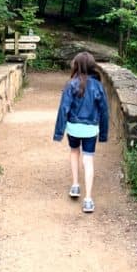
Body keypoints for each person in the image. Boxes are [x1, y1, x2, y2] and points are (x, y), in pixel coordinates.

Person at [53, 52, 109, 213]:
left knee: (74, 152)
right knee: (88, 159)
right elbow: (104, 111)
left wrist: (59, 132)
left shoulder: (71, 84)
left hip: (74, 127)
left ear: (76, 65)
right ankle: (88, 199)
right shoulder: (98, 86)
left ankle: (76, 185)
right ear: (92, 66)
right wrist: (103, 134)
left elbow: (64, 109)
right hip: (91, 128)